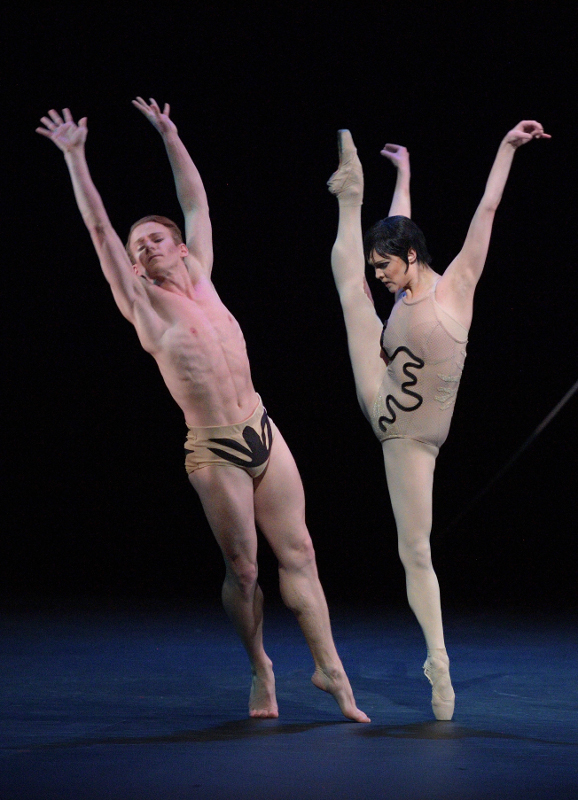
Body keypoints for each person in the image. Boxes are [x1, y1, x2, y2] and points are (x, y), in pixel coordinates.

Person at [36, 100, 369, 723]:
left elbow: (196, 201)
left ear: (181, 249)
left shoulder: (205, 278)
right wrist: (77, 159)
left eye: (156, 238)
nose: (148, 248)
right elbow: (101, 235)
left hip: (261, 428)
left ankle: (330, 670)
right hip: (213, 448)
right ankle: (260, 666)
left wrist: (170, 133)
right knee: (245, 571)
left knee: (300, 554)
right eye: (140, 247)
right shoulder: (147, 309)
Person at [328, 121, 550, 720]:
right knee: (349, 289)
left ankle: (436, 657)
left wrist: (504, 146)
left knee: (418, 552)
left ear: (410, 259)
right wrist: (401, 178)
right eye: (378, 264)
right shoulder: (399, 289)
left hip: (424, 434)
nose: (381, 274)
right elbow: (400, 229)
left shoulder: (457, 287)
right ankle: (353, 193)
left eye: (386, 264)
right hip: (392, 420)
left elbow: (488, 207)